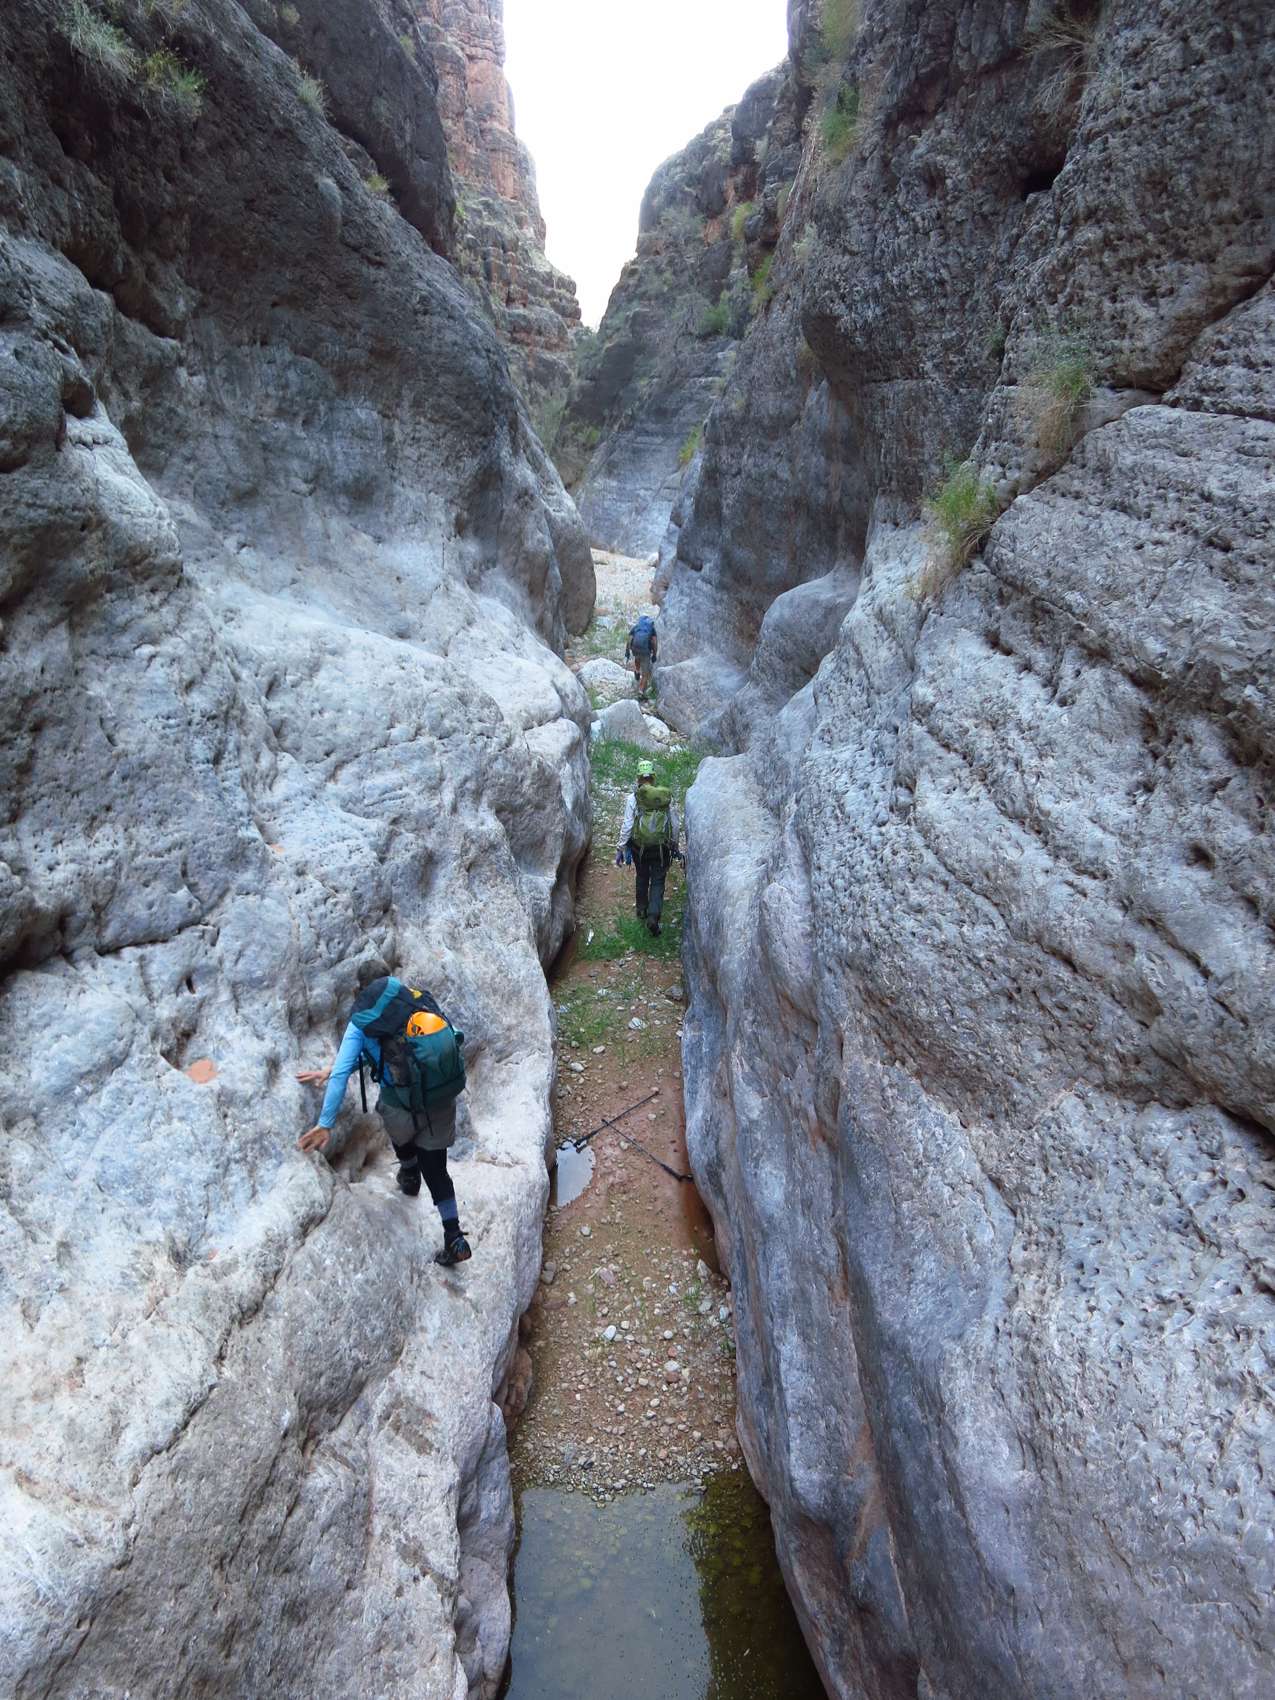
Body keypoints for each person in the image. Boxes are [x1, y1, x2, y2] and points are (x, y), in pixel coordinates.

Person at [297, 975, 472, 1266]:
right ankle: (454, 1236)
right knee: (437, 1170)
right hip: (439, 1099)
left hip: (399, 1103)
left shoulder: (360, 1023)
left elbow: (345, 1074)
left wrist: (325, 1123)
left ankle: (410, 1174)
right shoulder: (415, 1002)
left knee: (398, 1130)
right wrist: (332, 1069)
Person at [616, 764, 682, 935]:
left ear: (638, 778)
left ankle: (641, 910)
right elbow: (675, 824)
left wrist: (621, 847)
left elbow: (627, 825)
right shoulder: (663, 798)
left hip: (640, 848)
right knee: (658, 881)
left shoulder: (633, 798)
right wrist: (674, 845)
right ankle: (653, 916)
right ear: (653, 778)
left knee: (642, 876)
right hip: (661, 848)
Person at [625, 614, 659, 697]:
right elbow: (654, 642)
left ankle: (637, 670)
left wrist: (627, 652)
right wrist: (654, 654)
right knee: (645, 675)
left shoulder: (636, 627)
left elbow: (629, 640)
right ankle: (640, 691)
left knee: (637, 657)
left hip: (635, 649)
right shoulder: (651, 629)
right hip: (645, 652)